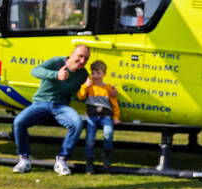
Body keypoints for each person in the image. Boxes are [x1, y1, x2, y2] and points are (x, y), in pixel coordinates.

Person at [11, 45, 91, 176]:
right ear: (71, 54)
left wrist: (87, 89)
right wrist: (55, 74)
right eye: (80, 56)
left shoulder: (83, 74)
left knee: (77, 123)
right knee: (19, 122)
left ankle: (62, 160)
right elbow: (35, 71)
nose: (82, 61)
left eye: (86, 59)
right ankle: (24, 159)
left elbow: (78, 97)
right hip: (41, 103)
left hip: (61, 107)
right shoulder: (57, 62)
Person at [77, 60, 121, 173]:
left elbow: (114, 104)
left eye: (98, 72)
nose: (96, 75)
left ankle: (106, 154)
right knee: (90, 139)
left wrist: (116, 117)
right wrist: (85, 86)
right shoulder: (89, 87)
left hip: (106, 117)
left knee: (108, 133)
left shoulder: (108, 89)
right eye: (93, 73)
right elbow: (81, 96)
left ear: (104, 73)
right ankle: (89, 161)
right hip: (91, 117)